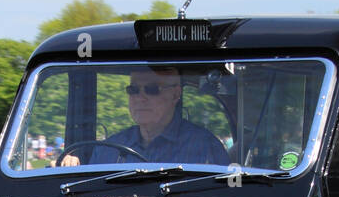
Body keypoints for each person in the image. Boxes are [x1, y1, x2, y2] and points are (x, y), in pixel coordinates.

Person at [59, 67, 231, 167]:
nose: (140, 98)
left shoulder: (207, 148)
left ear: (175, 94)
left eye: (152, 89)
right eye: (133, 90)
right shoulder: (108, 150)